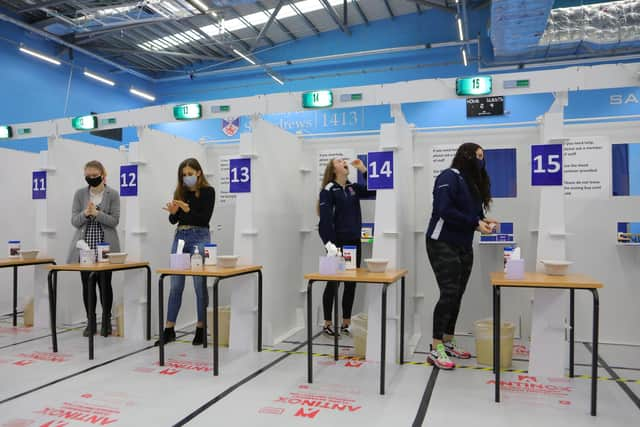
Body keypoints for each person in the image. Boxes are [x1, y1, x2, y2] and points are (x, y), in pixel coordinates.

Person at [425, 143, 498, 369]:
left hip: (464, 244)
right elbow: (443, 209)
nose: (481, 161)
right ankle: (435, 347)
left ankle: (448, 341)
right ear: (466, 156)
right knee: (448, 293)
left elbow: (474, 216)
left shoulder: (472, 184)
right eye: (478, 156)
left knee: (457, 294)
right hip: (441, 242)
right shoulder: (449, 176)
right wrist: (475, 222)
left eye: (483, 157)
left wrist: (484, 223)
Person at [156, 158, 215, 346]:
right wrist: (173, 212)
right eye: (183, 175)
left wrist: (186, 209)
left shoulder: (207, 192)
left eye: (190, 174)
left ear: (199, 172)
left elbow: (203, 218)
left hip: (200, 237)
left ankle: (200, 327)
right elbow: (174, 220)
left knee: (199, 285)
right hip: (180, 237)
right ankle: (169, 328)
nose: (187, 177)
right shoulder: (180, 192)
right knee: (175, 285)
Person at [318, 158, 375, 337]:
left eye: (344, 160)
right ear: (333, 169)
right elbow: (325, 222)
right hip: (335, 245)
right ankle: (327, 323)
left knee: (351, 284)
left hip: (353, 243)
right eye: (339, 161)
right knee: (333, 283)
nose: (344, 162)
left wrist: (364, 169)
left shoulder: (352, 187)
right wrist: (331, 247)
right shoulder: (328, 190)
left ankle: (346, 323)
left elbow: (376, 189)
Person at [68, 160, 120, 337]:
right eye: (88, 176)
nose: (91, 179)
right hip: (85, 248)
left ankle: (106, 320)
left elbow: (114, 221)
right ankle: (91, 321)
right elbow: (74, 221)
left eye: (94, 176)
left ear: (102, 175)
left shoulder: (112, 194)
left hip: (105, 247)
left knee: (105, 284)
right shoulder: (80, 194)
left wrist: (98, 214)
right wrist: (85, 213)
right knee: (87, 285)